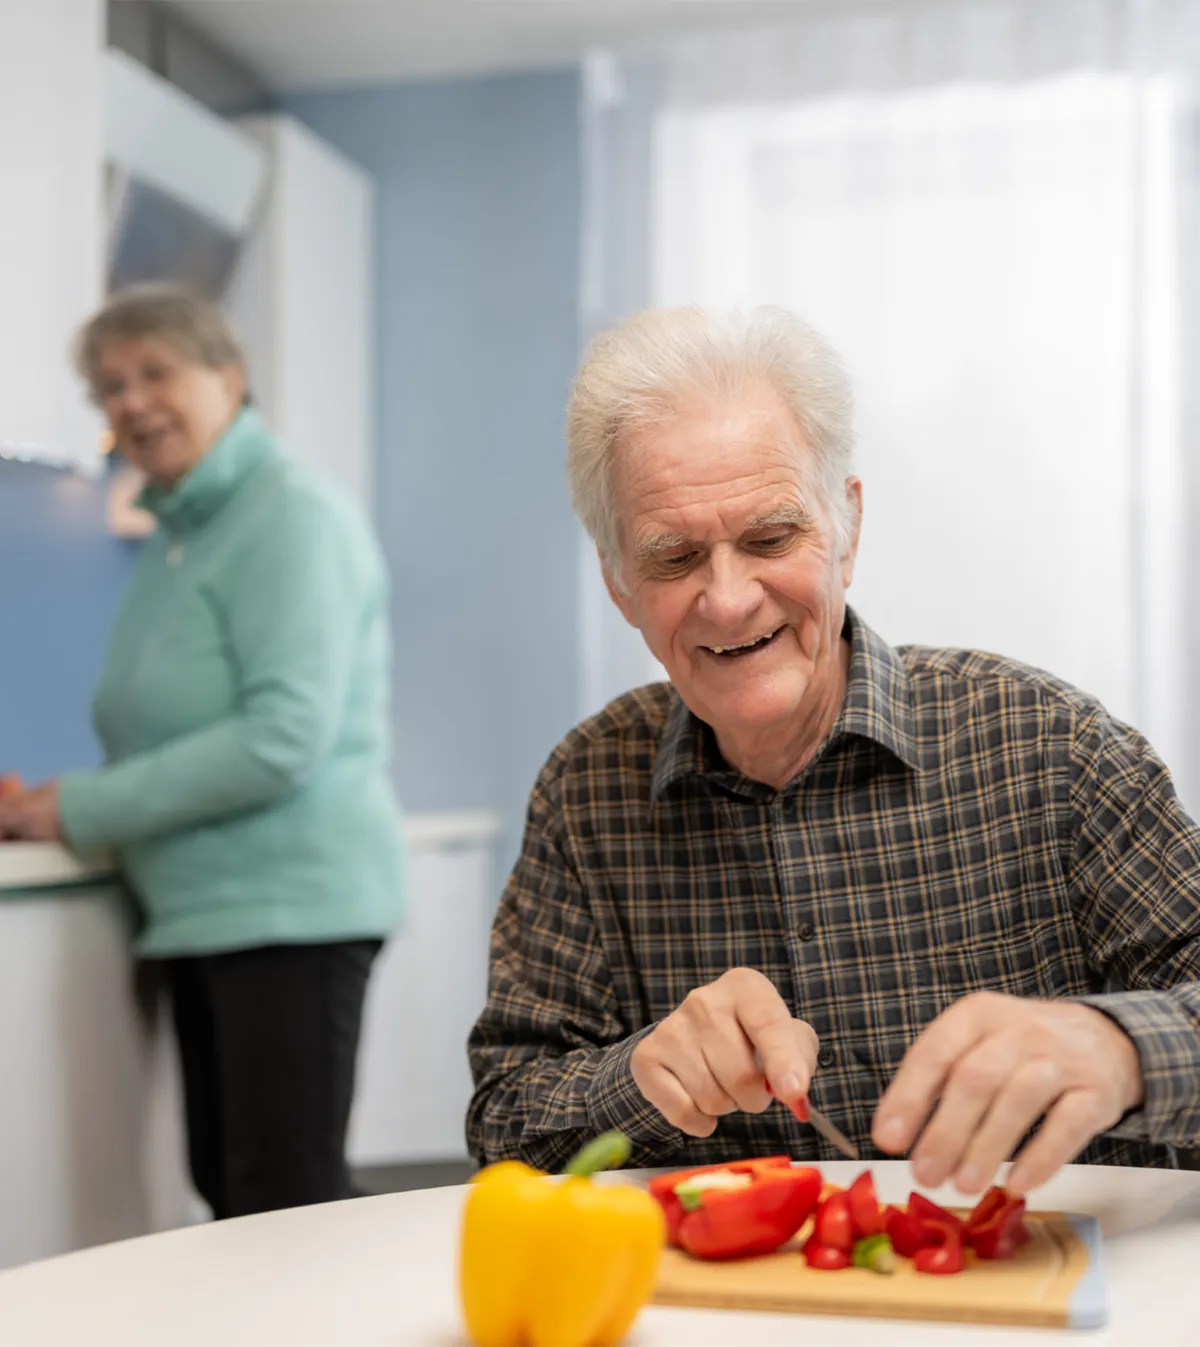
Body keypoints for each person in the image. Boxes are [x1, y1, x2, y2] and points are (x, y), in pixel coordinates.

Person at [466, 304, 1200, 1197]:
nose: (729, 599)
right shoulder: (587, 791)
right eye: (673, 557)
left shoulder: (1051, 747)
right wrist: (639, 1081)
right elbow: (505, 1119)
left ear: (846, 527)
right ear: (618, 581)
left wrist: (1119, 1047)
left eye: (772, 538)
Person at [0, 284, 406, 1218]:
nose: (131, 401)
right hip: (207, 913)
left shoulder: (288, 516)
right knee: (232, 1191)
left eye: (156, 372)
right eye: (109, 386)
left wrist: (78, 807)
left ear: (231, 376)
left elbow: (282, 737)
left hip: (288, 907)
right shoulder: (183, 533)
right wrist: (64, 802)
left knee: (280, 1206)